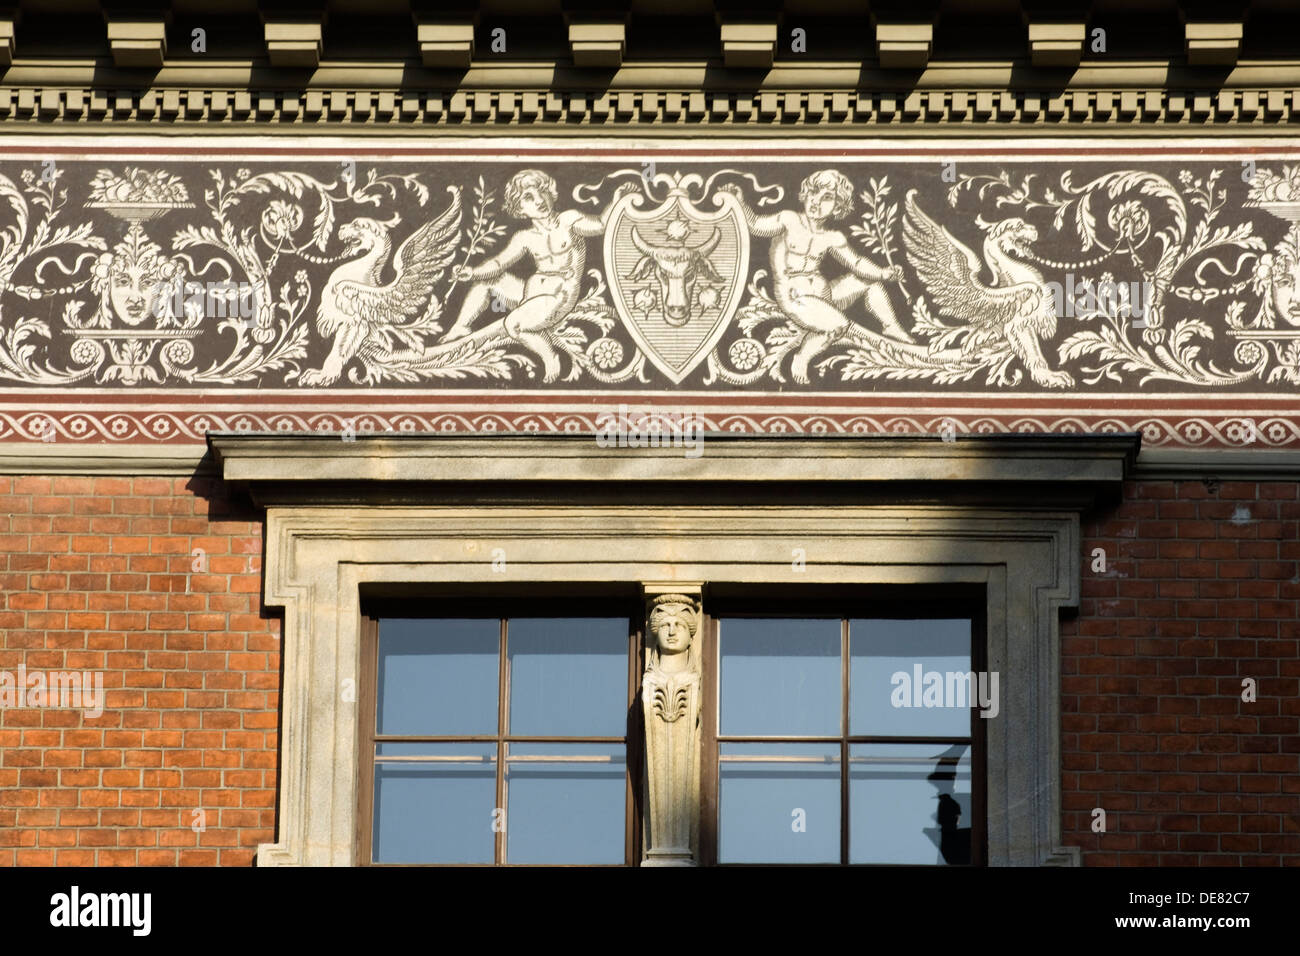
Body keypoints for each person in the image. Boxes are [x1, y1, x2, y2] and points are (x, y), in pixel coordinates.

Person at [723, 169, 911, 383]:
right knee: (838, 324)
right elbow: (755, 225)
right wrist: (740, 203)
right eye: (813, 192)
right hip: (795, 299)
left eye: (827, 198)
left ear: (838, 206)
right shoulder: (789, 220)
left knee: (871, 283)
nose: (816, 201)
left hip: (824, 297)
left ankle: (892, 327)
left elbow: (856, 262)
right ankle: (802, 357)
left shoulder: (833, 237)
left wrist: (884, 273)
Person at [444, 169, 630, 382]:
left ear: (551, 193)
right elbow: (498, 263)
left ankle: (549, 357)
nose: (539, 200)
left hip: (558, 296)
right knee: (487, 282)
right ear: (520, 208)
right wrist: (472, 272)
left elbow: (601, 225)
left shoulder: (568, 220)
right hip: (530, 294)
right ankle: (460, 327)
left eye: (543, 192)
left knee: (513, 324)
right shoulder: (524, 237)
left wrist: (617, 201)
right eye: (529, 197)